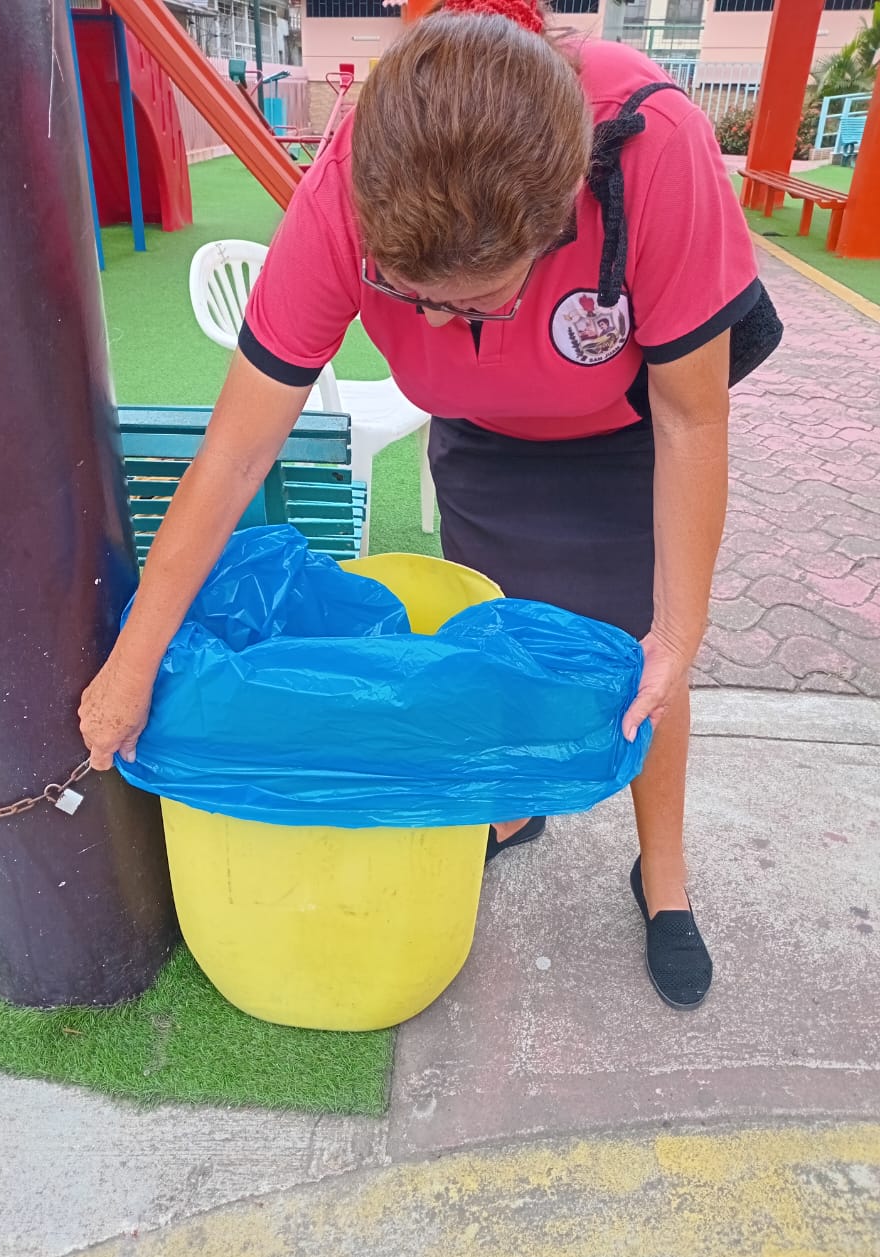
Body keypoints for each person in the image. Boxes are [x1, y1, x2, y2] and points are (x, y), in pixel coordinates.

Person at [80, 0, 779, 1010]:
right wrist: (133, 661)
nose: (443, 325)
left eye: (478, 302)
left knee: (640, 660)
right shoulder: (346, 191)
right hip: (481, 436)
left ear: (559, 218)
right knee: (489, 633)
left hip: (624, 428)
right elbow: (235, 454)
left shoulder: (651, 147)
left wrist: (680, 629)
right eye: (415, 299)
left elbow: (692, 419)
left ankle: (662, 875)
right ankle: (511, 808)